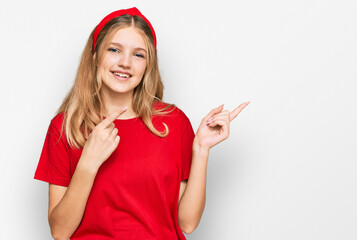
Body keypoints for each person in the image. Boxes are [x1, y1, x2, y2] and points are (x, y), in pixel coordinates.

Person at [33, 7, 249, 240]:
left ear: (148, 65)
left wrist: (201, 149)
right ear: (95, 56)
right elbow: (60, 231)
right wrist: (88, 162)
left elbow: (187, 223)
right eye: (114, 50)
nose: (125, 63)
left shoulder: (173, 123)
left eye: (138, 55)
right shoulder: (65, 127)